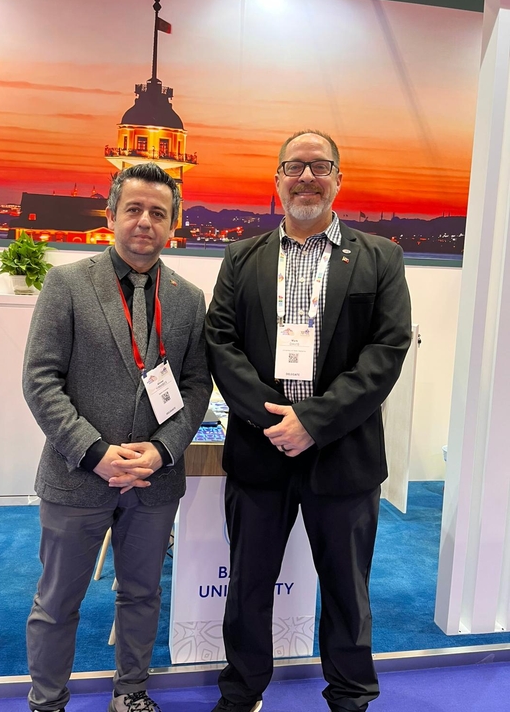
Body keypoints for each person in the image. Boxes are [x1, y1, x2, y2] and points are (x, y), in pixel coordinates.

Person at [205, 131, 411, 712]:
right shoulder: (241, 257)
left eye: (320, 167)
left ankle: (350, 697)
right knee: (248, 585)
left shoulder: (380, 256)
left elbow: (386, 351)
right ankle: (242, 693)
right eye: (294, 166)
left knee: (346, 590)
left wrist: (313, 422)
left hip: (343, 452)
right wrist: (273, 419)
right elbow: (220, 343)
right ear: (277, 179)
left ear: (338, 179)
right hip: (260, 448)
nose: (306, 178)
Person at [23, 162, 212, 712]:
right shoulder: (66, 284)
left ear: (172, 225)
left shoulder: (187, 297)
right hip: (77, 475)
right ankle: (47, 701)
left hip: (153, 481)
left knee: (142, 594)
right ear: (110, 216)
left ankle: (131, 692)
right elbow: (40, 380)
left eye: (158, 212)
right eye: (133, 209)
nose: (145, 221)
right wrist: (95, 453)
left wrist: (163, 449)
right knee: (57, 601)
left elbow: (196, 385)